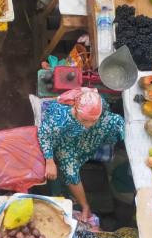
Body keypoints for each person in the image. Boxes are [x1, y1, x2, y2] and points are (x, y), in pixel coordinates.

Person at [38, 87, 124, 222]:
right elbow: (44, 136)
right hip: (67, 142)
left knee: (117, 122)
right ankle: (85, 205)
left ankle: (118, 145)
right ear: (76, 111)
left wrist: (93, 123)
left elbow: (106, 114)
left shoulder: (98, 102)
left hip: (86, 137)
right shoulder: (60, 118)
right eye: (85, 120)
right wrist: (49, 161)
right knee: (70, 172)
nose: (89, 124)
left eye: (93, 120)